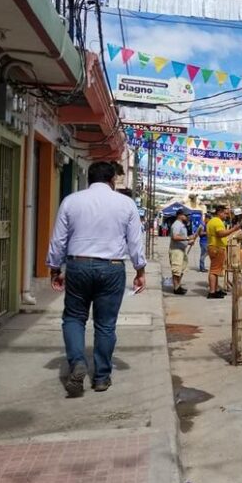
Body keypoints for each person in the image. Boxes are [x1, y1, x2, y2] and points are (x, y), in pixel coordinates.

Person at [46, 162, 146, 396]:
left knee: (73, 318)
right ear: (112, 179)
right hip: (111, 268)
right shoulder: (126, 203)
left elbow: (59, 239)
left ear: (89, 179)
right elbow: (134, 241)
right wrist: (140, 270)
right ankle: (101, 377)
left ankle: (78, 363)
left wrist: (54, 268)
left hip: (78, 265)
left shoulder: (71, 201)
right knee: (105, 324)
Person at [207, 205, 242, 299]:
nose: (226, 215)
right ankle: (212, 292)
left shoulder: (212, 221)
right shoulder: (217, 221)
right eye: (225, 213)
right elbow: (221, 234)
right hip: (217, 248)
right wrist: (234, 229)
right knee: (214, 271)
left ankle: (215, 290)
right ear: (219, 212)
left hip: (215, 247)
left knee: (216, 270)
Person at [169, 208, 196, 295]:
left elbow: (182, 238)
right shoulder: (177, 225)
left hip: (181, 250)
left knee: (181, 269)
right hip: (176, 251)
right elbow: (175, 237)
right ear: (180, 215)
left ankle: (178, 286)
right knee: (176, 270)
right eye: (186, 215)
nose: (187, 217)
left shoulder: (182, 225)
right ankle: (176, 288)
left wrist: (188, 242)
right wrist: (187, 238)